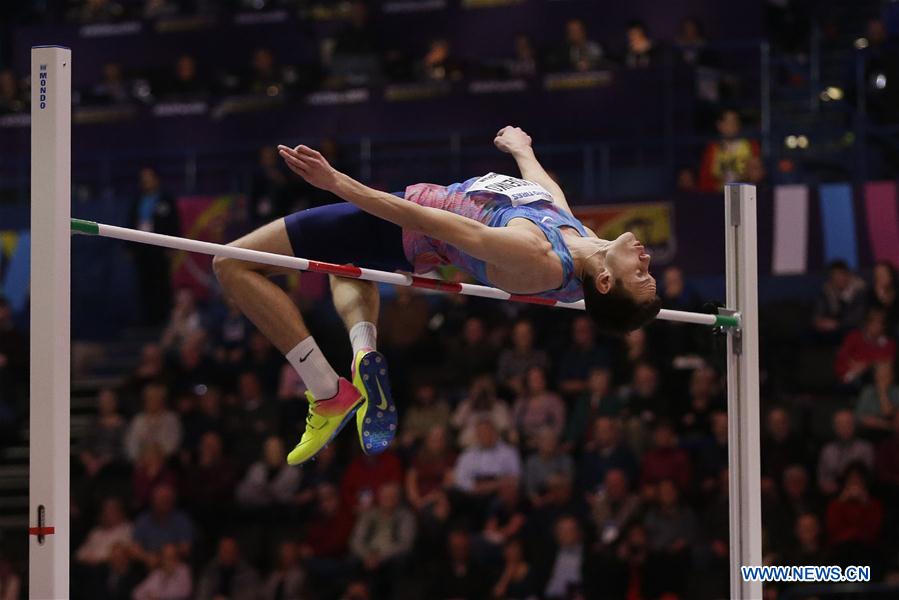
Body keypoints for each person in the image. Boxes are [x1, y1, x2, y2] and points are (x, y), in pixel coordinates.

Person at [215, 126, 659, 465]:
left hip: (404, 223)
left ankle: (325, 389)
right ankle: (363, 352)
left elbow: (428, 221)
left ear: (605, 282)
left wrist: (336, 182)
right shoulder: (585, 244)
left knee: (230, 263)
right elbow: (549, 201)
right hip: (410, 234)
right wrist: (522, 150)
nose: (646, 259)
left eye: (641, 274)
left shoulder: (536, 256)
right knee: (344, 267)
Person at [698, 109, 761, 192]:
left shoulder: (750, 145)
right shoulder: (712, 148)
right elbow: (704, 180)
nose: (733, 125)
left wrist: (742, 178)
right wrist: (719, 184)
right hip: (717, 195)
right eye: (728, 122)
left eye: (735, 121)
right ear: (719, 125)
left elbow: (758, 175)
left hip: (744, 193)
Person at [196, 536, 260, 600]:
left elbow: (251, 596)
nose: (227, 554)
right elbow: (201, 594)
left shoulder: (248, 574)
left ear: (236, 552)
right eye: (224, 550)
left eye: (230, 550)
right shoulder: (210, 571)